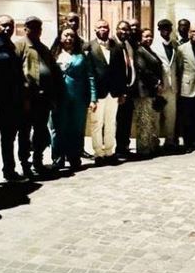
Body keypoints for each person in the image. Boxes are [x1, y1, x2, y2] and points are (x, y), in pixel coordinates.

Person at [15, 16, 63, 178]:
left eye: (37, 28)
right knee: (25, 132)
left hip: (44, 98)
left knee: (40, 131)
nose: (35, 30)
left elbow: (53, 71)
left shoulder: (43, 48)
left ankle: (38, 161)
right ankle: (25, 164)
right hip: (28, 99)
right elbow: (15, 72)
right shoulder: (20, 46)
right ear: (25, 29)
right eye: (31, 27)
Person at [0, 14, 25, 181]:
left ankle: (9, 170)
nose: (8, 28)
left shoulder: (11, 45)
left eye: (10, 25)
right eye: (4, 25)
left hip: (11, 101)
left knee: (8, 139)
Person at [51, 27, 97, 170]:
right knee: (58, 129)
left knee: (76, 129)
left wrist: (93, 98)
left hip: (78, 99)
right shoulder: (53, 55)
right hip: (58, 98)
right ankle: (58, 159)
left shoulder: (82, 56)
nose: (69, 38)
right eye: (66, 35)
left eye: (72, 36)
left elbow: (90, 77)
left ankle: (74, 158)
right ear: (60, 38)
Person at [87, 20, 127, 165]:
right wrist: (91, 96)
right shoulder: (89, 46)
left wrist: (122, 92)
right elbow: (88, 72)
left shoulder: (117, 46)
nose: (103, 29)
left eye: (106, 27)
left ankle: (110, 152)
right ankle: (98, 153)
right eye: (100, 27)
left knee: (111, 123)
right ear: (95, 29)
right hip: (98, 93)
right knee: (97, 123)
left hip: (114, 92)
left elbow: (122, 71)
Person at [133, 28, 164, 157]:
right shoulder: (139, 51)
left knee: (150, 120)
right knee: (143, 120)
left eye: (150, 36)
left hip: (151, 91)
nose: (149, 39)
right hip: (143, 91)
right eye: (146, 36)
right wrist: (157, 82)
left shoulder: (149, 50)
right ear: (140, 38)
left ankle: (151, 146)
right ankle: (143, 149)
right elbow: (143, 69)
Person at [151, 19, 180, 150]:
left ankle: (170, 141)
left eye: (168, 28)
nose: (166, 31)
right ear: (159, 30)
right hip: (160, 87)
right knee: (156, 116)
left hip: (172, 87)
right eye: (163, 28)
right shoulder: (154, 46)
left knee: (171, 117)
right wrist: (156, 83)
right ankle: (155, 142)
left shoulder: (175, 45)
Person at [114, 20, 137, 160]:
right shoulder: (112, 44)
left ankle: (124, 147)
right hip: (117, 91)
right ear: (116, 29)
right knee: (116, 121)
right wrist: (119, 91)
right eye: (122, 29)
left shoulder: (129, 44)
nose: (124, 32)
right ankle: (115, 149)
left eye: (127, 30)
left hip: (130, 89)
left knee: (126, 120)